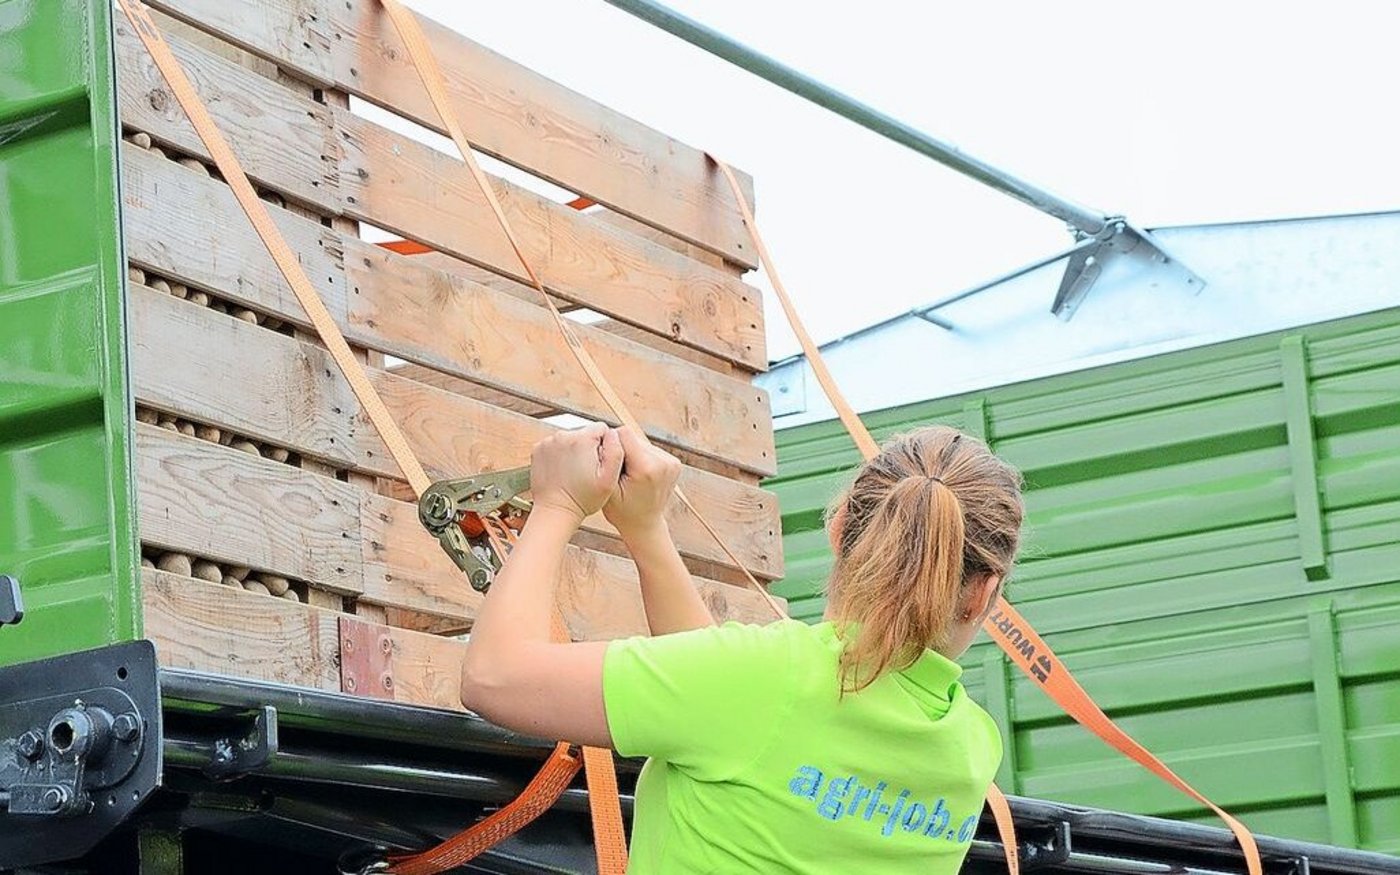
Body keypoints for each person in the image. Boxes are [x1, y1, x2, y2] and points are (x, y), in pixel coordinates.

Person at [460, 422, 1025, 873]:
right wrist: (646, 531)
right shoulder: (971, 749)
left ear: (838, 530)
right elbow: (714, 704)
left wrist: (559, 503)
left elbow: (494, 677)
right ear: (984, 593)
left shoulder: (771, 680)